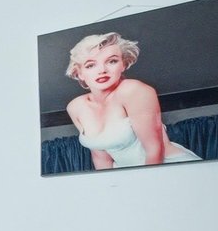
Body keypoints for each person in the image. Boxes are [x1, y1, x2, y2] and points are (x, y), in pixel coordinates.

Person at [64, 32, 200, 169]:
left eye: (112, 61)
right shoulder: (76, 107)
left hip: (167, 168)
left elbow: (154, 150)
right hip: (127, 173)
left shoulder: (133, 90)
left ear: (123, 65)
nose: (102, 70)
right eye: (90, 65)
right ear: (79, 73)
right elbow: (101, 158)